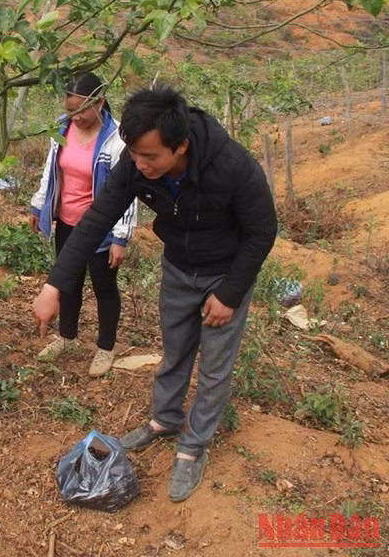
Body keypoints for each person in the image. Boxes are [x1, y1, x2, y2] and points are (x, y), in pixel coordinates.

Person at [33, 86, 277, 501]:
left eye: (151, 157)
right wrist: (54, 285)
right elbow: (96, 220)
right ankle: (164, 420)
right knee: (175, 349)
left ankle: (193, 446)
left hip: (224, 273)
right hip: (178, 267)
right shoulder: (135, 163)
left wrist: (231, 293)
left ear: (180, 147)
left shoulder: (232, 166)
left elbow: (262, 231)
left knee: (215, 366)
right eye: (135, 154)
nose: (140, 165)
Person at [29, 72, 137, 377]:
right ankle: (67, 337)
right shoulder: (62, 128)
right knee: (69, 282)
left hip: (101, 228)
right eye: (71, 108)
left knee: (104, 287)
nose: (75, 116)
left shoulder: (117, 139)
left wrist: (120, 237)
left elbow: (128, 191)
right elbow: (51, 169)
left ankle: (105, 347)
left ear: (100, 103)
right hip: (67, 221)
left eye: (82, 110)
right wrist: (40, 202)